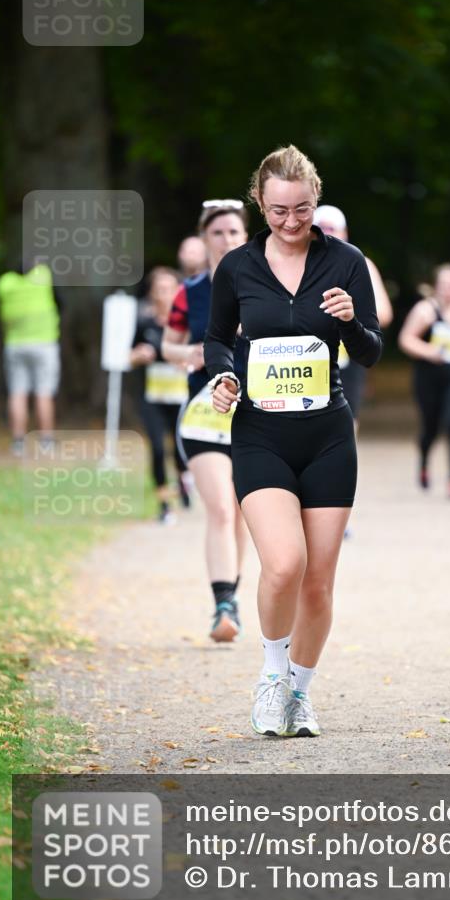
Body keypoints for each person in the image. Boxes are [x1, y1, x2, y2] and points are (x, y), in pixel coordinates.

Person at [205, 145, 382, 738]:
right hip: (261, 434)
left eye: (302, 210)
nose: (291, 222)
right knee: (283, 565)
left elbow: (371, 352)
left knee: (318, 579)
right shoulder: (236, 266)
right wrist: (224, 375)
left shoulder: (345, 261)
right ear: (259, 201)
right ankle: (273, 676)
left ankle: (301, 694)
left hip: (328, 436)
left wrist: (351, 320)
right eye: (279, 211)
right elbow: (216, 339)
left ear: (316, 200)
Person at [162, 202, 248, 642]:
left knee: (240, 514)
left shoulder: (266, 286)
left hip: (253, 415)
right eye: (218, 233)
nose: (227, 240)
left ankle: (232, 592)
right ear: (204, 239)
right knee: (217, 508)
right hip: (203, 416)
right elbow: (167, 345)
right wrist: (192, 352)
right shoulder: (189, 292)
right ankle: (223, 606)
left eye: (234, 232)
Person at [312, 204, 393, 422]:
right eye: (321, 227)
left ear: (344, 233)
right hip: (305, 358)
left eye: (332, 228)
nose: (327, 233)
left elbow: (384, 313)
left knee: (347, 423)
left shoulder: (361, 264)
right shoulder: (295, 263)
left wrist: (348, 313)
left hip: (346, 360)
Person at [398, 264, 450, 498]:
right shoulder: (425, 310)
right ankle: (424, 462)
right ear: (437, 288)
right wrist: (430, 351)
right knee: (431, 428)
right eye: (446, 285)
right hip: (428, 379)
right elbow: (406, 340)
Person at [129, 267, 190, 523]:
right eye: (158, 289)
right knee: (156, 447)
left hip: (182, 397)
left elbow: (204, 354)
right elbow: (127, 357)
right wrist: (138, 356)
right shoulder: (143, 322)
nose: (163, 294)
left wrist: (185, 360)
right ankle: (165, 505)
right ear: (152, 293)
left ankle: (183, 479)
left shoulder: (189, 322)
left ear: (178, 292)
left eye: (168, 289)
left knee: (180, 450)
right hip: (151, 397)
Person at [0, 262, 61, 455]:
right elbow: (59, 303)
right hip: (44, 343)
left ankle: (18, 442)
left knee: (17, 393)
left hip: (15, 344)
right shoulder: (44, 277)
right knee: (44, 393)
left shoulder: (5, 284)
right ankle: (46, 441)